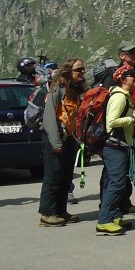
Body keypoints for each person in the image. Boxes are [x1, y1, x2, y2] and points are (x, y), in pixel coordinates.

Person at [37, 58, 86, 227]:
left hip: (69, 138)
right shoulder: (57, 88)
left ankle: (60, 211)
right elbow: (49, 116)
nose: (82, 72)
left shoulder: (76, 89)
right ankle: (47, 214)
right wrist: (56, 142)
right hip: (56, 138)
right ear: (68, 71)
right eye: (78, 70)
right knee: (54, 176)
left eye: (83, 69)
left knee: (66, 176)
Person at [97, 65, 135, 235]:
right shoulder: (119, 97)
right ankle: (104, 221)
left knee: (113, 182)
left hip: (118, 145)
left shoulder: (123, 96)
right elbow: (111, 122)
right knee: (117, 183)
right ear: (123, 80)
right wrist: (133, 118)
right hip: (115, 146)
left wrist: (133, 122)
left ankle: (114, 216)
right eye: (132, 76)